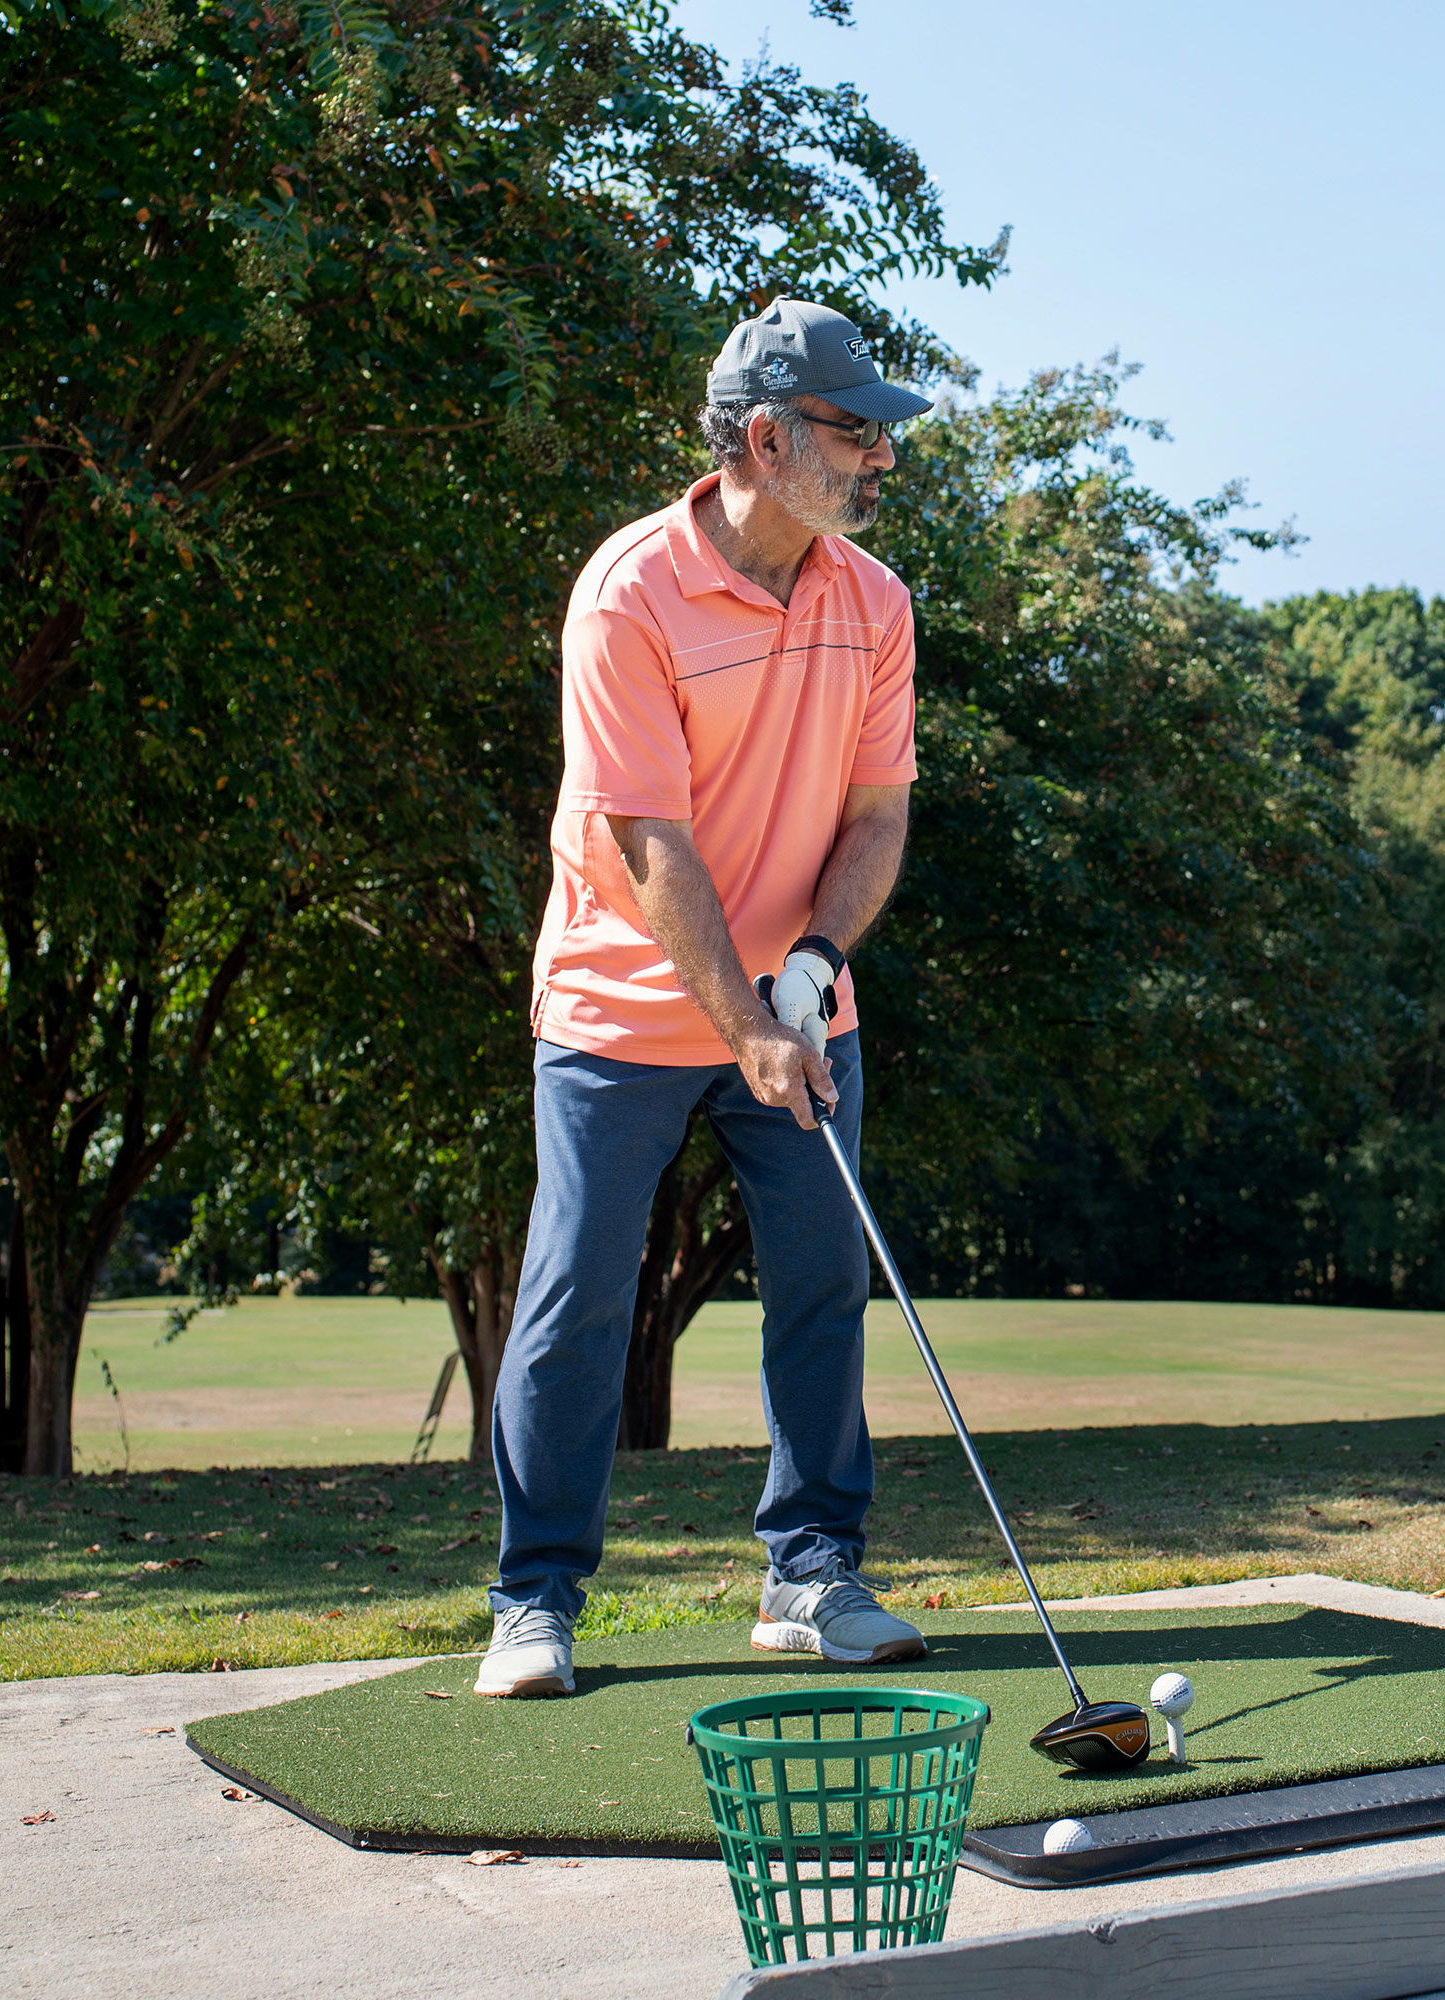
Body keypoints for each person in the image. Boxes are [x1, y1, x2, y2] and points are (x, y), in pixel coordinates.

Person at [477, 299, 932, 1699]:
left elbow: (874, 819)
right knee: (578, 1295)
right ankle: (534, 1599)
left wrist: (810, 975)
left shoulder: (874, 602)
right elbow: (646, 843)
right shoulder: (632, 593)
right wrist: (743, 1024)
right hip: (625, 999)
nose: (881, 463)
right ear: (764, 438)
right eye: (859, 435)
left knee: (819, 1284)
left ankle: (811, 1573)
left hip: (794, 1005)